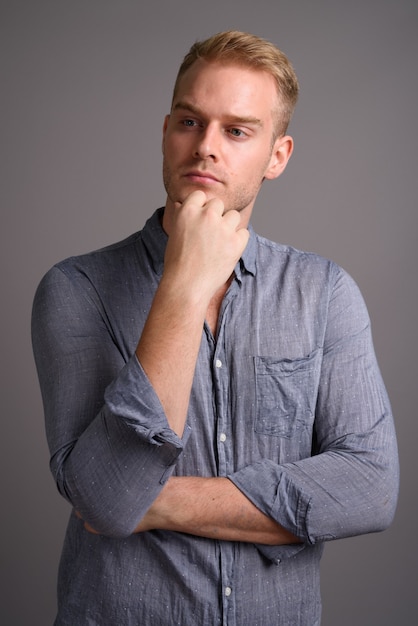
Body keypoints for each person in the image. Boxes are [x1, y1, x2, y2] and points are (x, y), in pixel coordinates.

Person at [32, 30, 399, 626]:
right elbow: (106, 496)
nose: (205, 147)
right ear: (165, 133)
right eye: (188, 122)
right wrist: (182, 285)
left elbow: (369, 488)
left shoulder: (325, 293)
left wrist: (162, 503)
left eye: (236, 130)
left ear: (276, 155)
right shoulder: (76, 290)